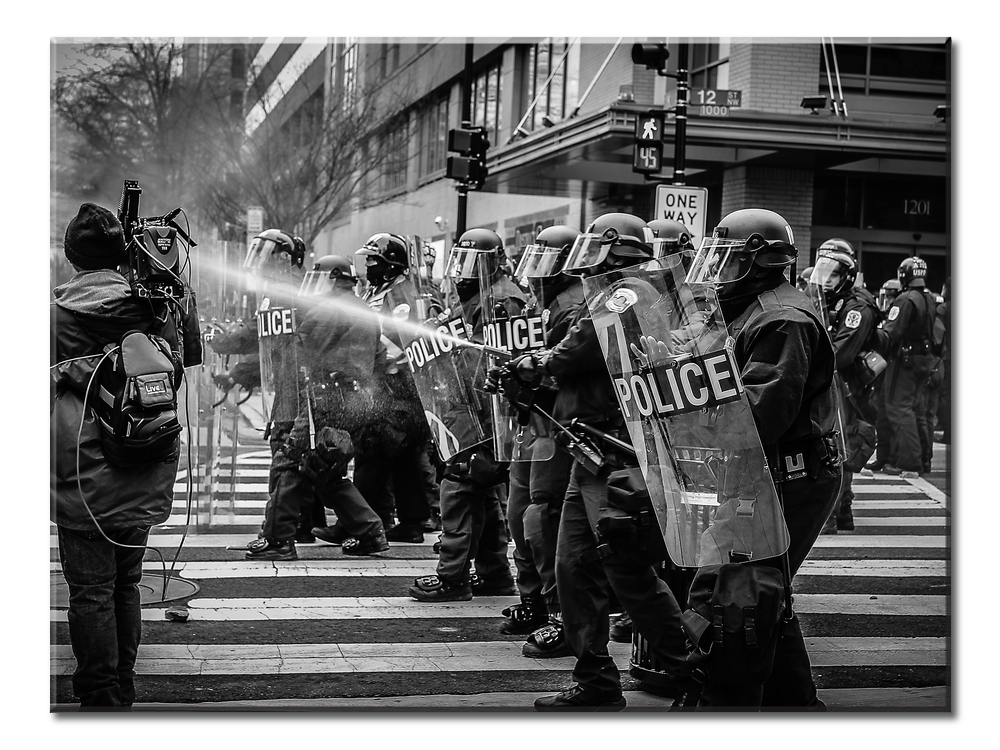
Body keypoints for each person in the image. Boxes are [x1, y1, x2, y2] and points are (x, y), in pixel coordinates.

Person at [514, 213, 691, 710]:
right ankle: (595, 679)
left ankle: (692, 671)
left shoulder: (631, 289)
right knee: (572, 565)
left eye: (596, 248)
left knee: (625, 569)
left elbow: (580, 347)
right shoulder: (616, 288)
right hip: (587, 449)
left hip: (618, 451)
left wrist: (536, 363)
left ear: (615, 249)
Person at [682, 207, 842, 708]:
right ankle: (794, 700)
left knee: (739, 589)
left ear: (757, 261)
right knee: (762, 587)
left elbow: (757, 415)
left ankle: (726, 699)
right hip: (764, 471)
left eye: (726, 261)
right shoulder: (752, 310)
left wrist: (686, 412)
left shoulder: (783, 319)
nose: (717, 272)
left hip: (789, 474)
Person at [51, 202, 202, 708]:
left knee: (90, 590)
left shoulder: (56, 316)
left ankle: (98, 693)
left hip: (82, 472)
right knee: (126, 584)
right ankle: (123, 683)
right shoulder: (158, 305)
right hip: (145, 462)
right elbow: (182, 366)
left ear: (71, 257)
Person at [243, 252, 389, 560]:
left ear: (333, 278)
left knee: (292, 460)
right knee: (323, 470)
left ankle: (278, 539)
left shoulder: (330, 310)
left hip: (322, 400)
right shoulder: (360, 308)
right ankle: (369, 531)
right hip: (352, 400)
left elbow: (302, 350)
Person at [409, 228, 524, 602]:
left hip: (484, 416)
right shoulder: (486, 295)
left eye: (471, 262)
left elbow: (486, 362)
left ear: (491, 263)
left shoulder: (501, 301)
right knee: (483, 492)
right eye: (459, 261)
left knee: (458, 486)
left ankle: (452, 577)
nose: (462, 271)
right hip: (482, 414)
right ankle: (494, 575)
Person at [499, 225, 586, 657]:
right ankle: (532, 599)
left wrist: (526, 374)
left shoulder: (573, 307)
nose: (536, 272)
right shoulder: (545, 304)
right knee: (519, 514)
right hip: (531, 425)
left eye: (546, 261)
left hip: (555, 427)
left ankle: (558, 613)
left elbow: (562, 371)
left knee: (542, 517)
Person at [349, 232, 439, 543]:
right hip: (383, 382)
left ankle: (359, 519)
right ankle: (410, 522)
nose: (368, 265)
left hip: (397, 385)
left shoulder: (401, 295)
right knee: (402, 458)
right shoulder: (379, 290)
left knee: (372, 450)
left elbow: (401, 341)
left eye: (374, 260)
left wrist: (366, 361)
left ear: (391, 265)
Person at [809, 243, 881, 534]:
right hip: (835, 382)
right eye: (823, 273)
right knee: (838, 443)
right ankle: (844, 511)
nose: (826, 281)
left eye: (833, 275)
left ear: (847, 277)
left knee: (836, 446)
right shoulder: (830, 301)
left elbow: (842, 353)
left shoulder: (857, 307)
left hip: (846, 384)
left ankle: (830, 515)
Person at [872, 257, 937, 476]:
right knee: (914, 410)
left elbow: (891, 334)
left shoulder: (906, 299)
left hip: (904, 361)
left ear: (904, 275)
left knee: (898, 409)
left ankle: (908, 462)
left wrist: (870, 332)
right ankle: (915, 458)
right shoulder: (929, 298)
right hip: (923, 360)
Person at [866, 278, 902, 472]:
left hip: (894, 365)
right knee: (881, 413)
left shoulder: (899, 312)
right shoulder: (883, 314)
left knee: (891, 413)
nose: (887, 299)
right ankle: (882, 456)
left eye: (890, 296)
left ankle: (893, 457)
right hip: (882, 364)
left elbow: (890, 337)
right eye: (885, 295)